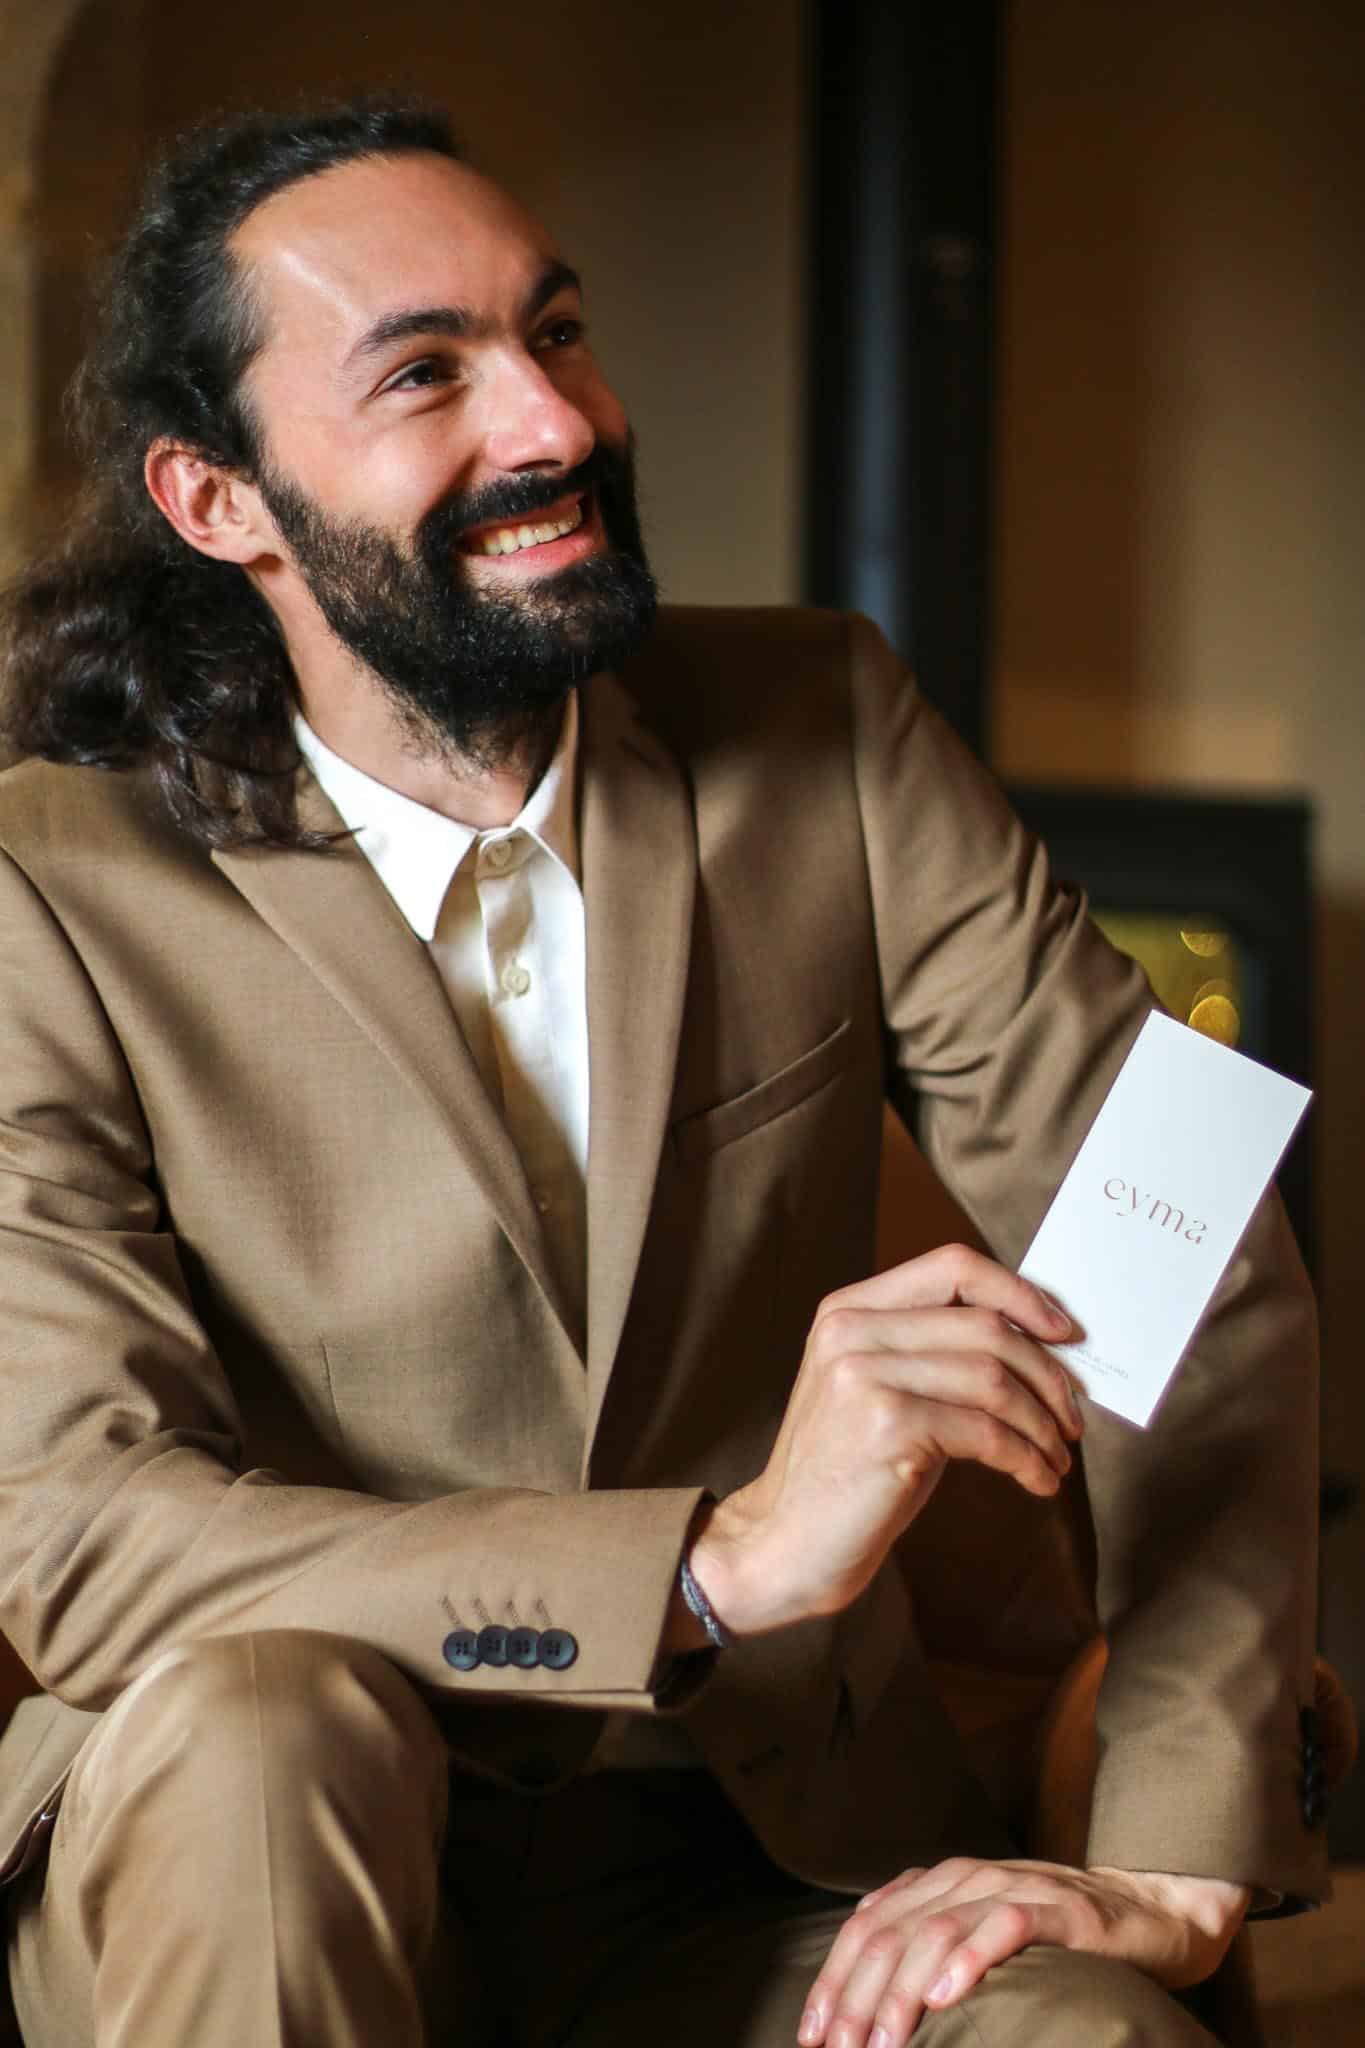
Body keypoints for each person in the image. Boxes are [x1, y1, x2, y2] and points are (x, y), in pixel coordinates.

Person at [0, 99, 1323, 2048]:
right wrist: (711, 1563)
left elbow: (1180, 1223)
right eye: (425, 374)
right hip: (260, 1844)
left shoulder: (828, 725)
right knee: (272, 1722)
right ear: (221, 501)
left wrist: (1166, 1865)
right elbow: (85, 1536)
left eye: (553, 332)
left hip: (754, 1861)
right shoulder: (43, 884)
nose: (551, 422)